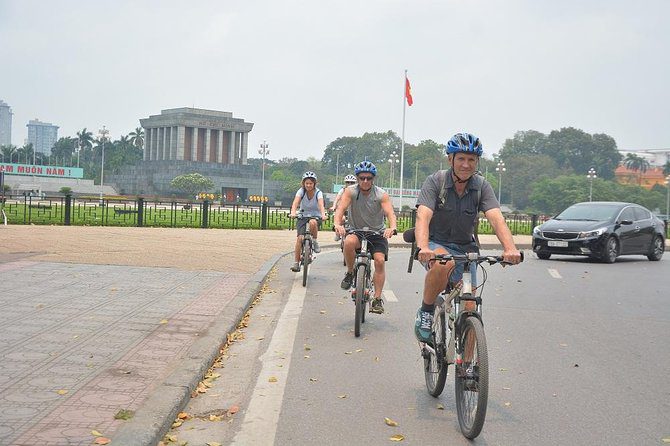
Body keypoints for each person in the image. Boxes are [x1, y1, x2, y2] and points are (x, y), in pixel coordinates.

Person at [413, 132, 522, 343]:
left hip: (467, 249)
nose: (466, 164)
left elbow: (496, 218)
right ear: (450, 159)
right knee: (444, 264)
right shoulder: (435, 182)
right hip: (438, 243)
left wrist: (510, 248)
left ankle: (469, 369)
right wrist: (423, 247)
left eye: (471, 159)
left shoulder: (481, 186)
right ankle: (426, 311)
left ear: (477, 161)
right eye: (461, 158)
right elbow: (423, 216)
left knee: (471, 309)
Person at [334, 161, 397, 314]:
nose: (365, 181)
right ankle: (350, 272)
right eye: (362, 178)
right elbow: (341, 209)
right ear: (357, 178)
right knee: (348, 242)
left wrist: (392, 227)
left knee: (380, 261)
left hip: (377, 233)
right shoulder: (350, 192)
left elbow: (390, 213)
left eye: (369, 178)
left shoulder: (381, 194)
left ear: (373, 178)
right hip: (356, 230)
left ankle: (376, 298)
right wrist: (337, 224)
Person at [289, 171, 327, 272]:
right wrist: (293, 212)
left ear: (314, 184)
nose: (309, 185)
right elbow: (295, 202)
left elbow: (321, 205)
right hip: (302, 216)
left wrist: (323, 214)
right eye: (307, 183)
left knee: (312, 222)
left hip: (316, 216)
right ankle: (296, 263)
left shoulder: (318, 193)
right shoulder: (301, 191)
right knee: (299, 239)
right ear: (303, 184)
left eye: (311, 183)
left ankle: (314, 241)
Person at [329, 174, 357, 241]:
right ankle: (338, 234)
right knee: (342, 219)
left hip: (353, 210)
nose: (350, 184)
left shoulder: (357, 191)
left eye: (352, 182)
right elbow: (337, 199)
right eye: (348, 182)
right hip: (343, 210)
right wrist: (334, 206)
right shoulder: (342, 190)